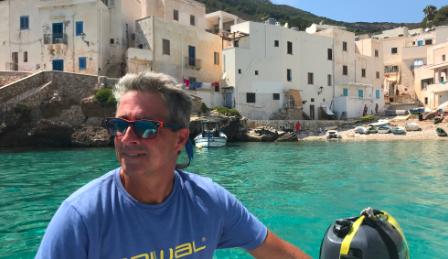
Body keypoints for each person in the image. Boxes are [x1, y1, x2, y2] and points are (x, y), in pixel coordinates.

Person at [36, 72, 311, 259]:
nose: (127, 138)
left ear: (180, 138)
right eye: (120, 125)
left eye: (145, 128)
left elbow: (276, 251)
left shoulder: (209, 201)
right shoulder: (81, 216)